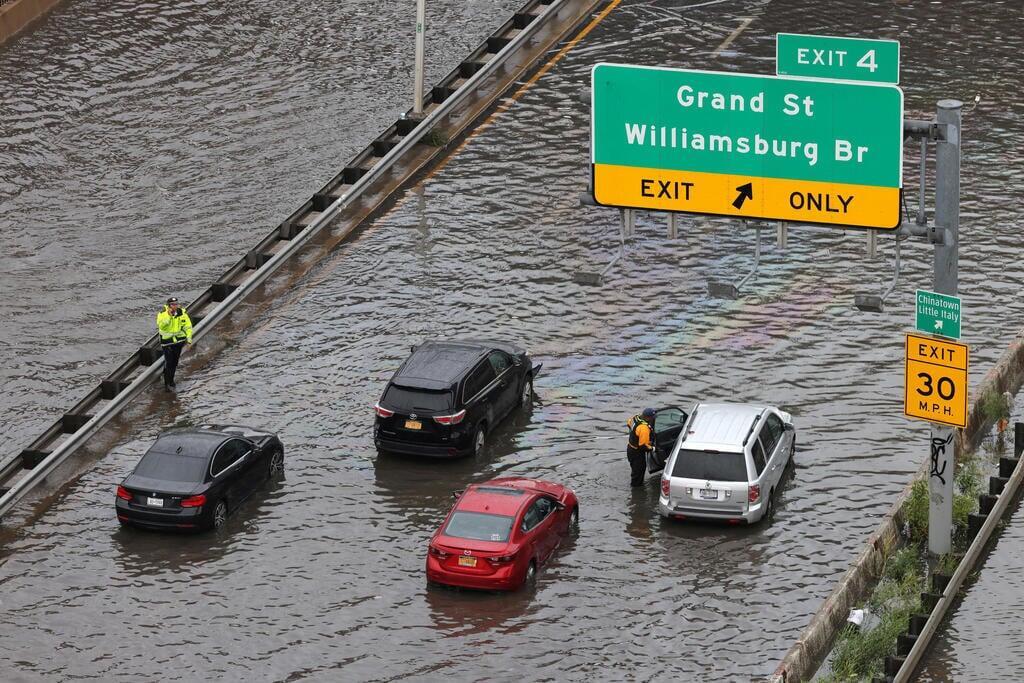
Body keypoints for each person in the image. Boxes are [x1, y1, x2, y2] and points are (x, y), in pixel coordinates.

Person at [156, 296, 192, 390]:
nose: (175, 306)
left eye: (176, 304)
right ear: (169, 305)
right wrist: (169, 316)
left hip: (179, 342)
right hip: (167, 342)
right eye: (172, 304)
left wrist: (189, 340)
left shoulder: (182, 313)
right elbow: (162, 326)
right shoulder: (162, 313)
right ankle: (168, 383)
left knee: (174, 362)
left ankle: (170, 380)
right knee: (169, 363)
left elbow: (187, 327)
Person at [626, 408, 657, 487]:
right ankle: (636, 491)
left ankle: (636, 487)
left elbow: (629, 424)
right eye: (653, 417)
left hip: (630, 448)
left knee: (635, 471)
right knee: (638, 473)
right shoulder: (644, 428)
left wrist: (636, 436)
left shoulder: (635, 418)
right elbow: (643, 446)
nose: (653, 419)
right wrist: (653, 448)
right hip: (637, 453)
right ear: (648, 418)